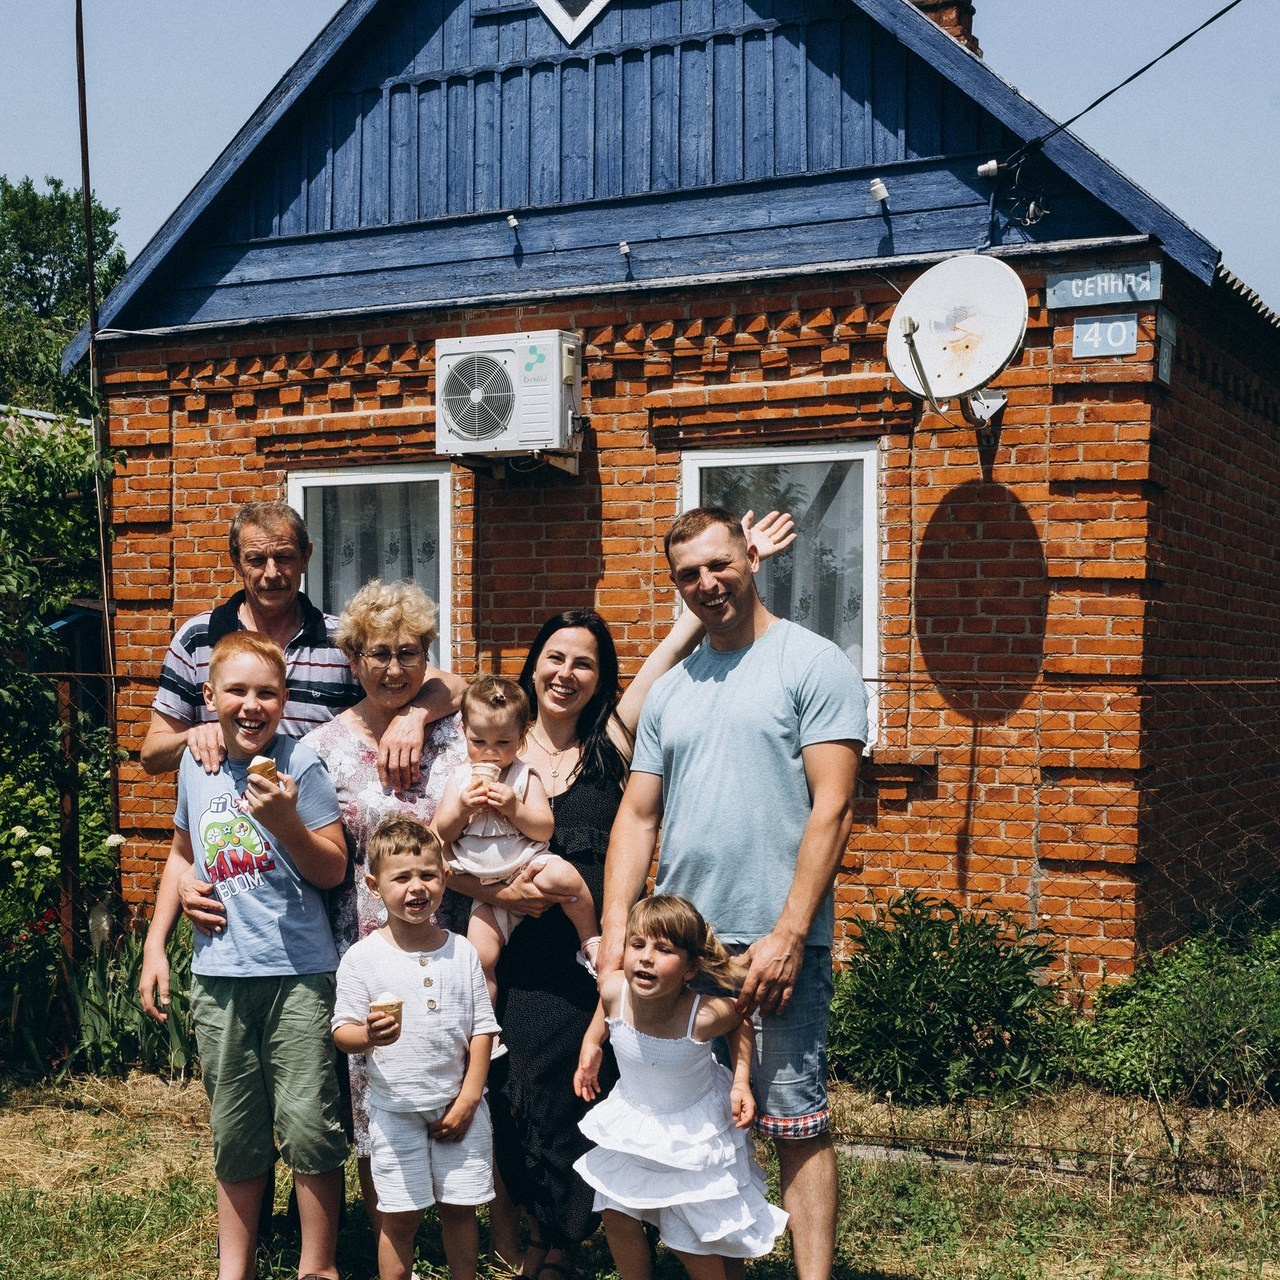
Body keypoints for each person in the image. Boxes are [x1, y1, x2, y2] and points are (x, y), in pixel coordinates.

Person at [449, 511, 796, 1280]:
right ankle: (536, 1230)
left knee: (576, 1091)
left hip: (593, 948)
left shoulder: (612, 741)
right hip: (509, 941)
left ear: (601, 677)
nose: (566, 672)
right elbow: (431, 825)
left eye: (584, 662)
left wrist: (740, 563)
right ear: (532, 664)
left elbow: (678, 644)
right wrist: (490, 884)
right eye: (553, 657)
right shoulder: (488, 741)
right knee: (512, 1089)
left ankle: (570, 1239)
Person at [600, 506, 869, 1280]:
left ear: (751, 562)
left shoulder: (811, 664)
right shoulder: (674, 691)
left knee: (793, 1118)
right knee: (693, 1117)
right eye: (689, 574)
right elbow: (638, 816)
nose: (707, 584)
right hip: (679, 951)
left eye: (720, 565)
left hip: (772, 939)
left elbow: (834, 806)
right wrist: (620, 931)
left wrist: (790, 932)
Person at [140, 504, 463, 1018]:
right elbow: (152, 753)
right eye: (257, 559)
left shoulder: (342, 640)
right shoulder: (199, 638)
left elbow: (445, 683)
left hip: (315, 883)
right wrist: (196, 733)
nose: (272, 572)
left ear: (307, 557)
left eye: (285, 557)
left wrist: (416, 715)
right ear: (236, 562)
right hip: (240, 885)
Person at [142, 632, 350, 1280]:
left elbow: (334, 867)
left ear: (286, 700)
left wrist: (287, 821)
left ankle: (316, 1266)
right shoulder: (194, 765)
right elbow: (181, 852)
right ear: (209, 697)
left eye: (267, 692)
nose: (251, 704)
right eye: (236, 690)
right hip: (219, 977)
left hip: (299, 977)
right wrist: (156, 945)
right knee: (236, 1133)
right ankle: (237, 1269)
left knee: (310, 1127)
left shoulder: (302, 766)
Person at [573, 896, 788, 1280]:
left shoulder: (702, 1016)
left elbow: (741, 1020)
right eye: (637, 945)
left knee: (695, 1237)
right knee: (615, 1210)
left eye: (663, 950)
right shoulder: (614, 988)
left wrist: (741, 1081)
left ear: (690, 969)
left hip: (692, 1132)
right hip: (636, 1122)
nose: (646, 958)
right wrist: (592, 1044)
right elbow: (605, 1006)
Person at [333, 816, 499, 1280]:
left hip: (459, 1109)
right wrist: (367, 1036)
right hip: (396, 1111)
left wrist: (469, 1098)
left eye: (427, 874)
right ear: (373, 884)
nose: (416, 887)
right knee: (400, 1217)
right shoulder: (363, 958)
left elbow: (483, 1029)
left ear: (445, 877)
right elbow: (342, 1031)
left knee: (461, 1212)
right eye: (401, 877)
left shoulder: (461, 951)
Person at [435, 674, 599, 1005]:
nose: (490, 754)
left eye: (503, 743)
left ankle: (590, 939)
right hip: (487, 885)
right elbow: (442, 834)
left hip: (529, 864)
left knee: (566, 876)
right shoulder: (459, 780)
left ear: (521, 738)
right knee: (481, 957)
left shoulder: (524, 776)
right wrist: (462, 809)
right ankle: (486, 1028)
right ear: (464, 731)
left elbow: (544, 829)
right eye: (478, 742)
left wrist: (514, 807)